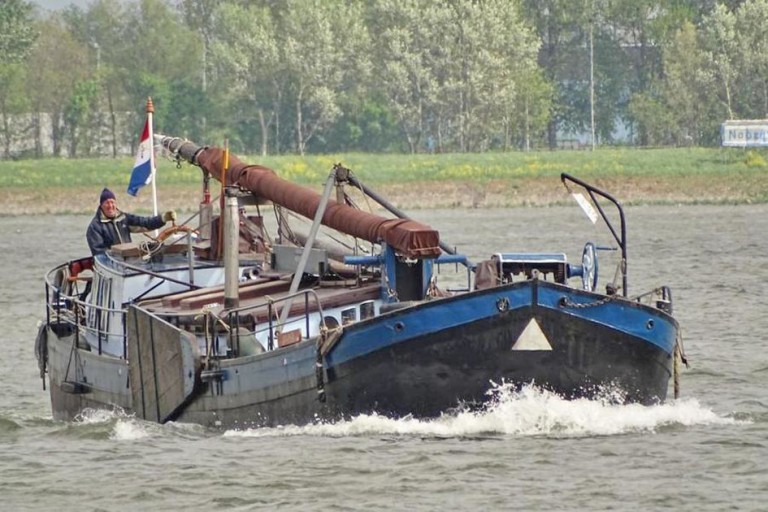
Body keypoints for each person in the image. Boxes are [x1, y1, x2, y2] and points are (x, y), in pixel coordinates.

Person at [86, 187, 177, 255]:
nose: (110, 206)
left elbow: (146, 223)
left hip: (129, 261)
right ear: (101, 205)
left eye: (112, 202)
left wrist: (163, 218)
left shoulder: (124, 218)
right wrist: (117, 255)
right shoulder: (95, 227)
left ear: (116, 204)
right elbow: (99, 252)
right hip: (110, 265)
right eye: (107, 203)